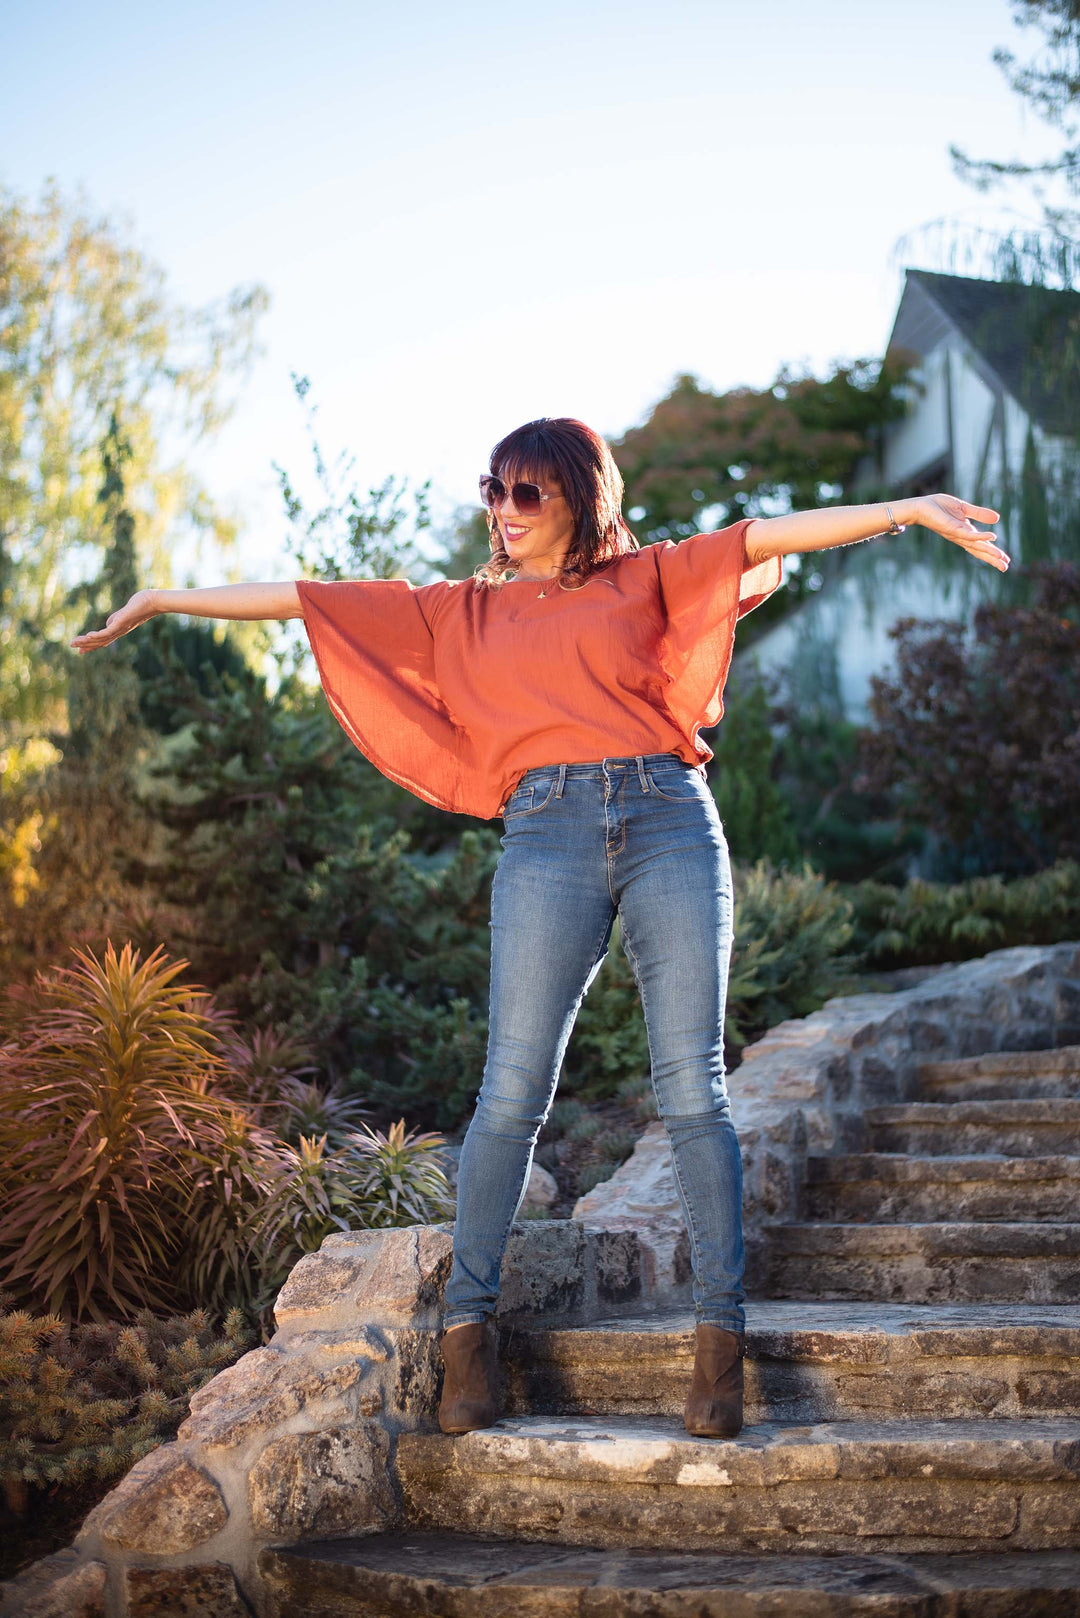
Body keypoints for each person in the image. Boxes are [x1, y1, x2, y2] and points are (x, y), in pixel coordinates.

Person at [71, 416, 1008, 1440]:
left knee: (691, 1085)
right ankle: (469, 1343)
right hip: (546, 835)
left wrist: (909, 510)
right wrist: (162, 600)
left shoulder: (647, 575)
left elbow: (769, 534)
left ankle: (718, 1352)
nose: (504, 512)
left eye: (528, 492)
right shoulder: (453, 611)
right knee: (510, 1091)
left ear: (580, 496)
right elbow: (300, 598)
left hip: (667, 820)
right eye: (494, 490)